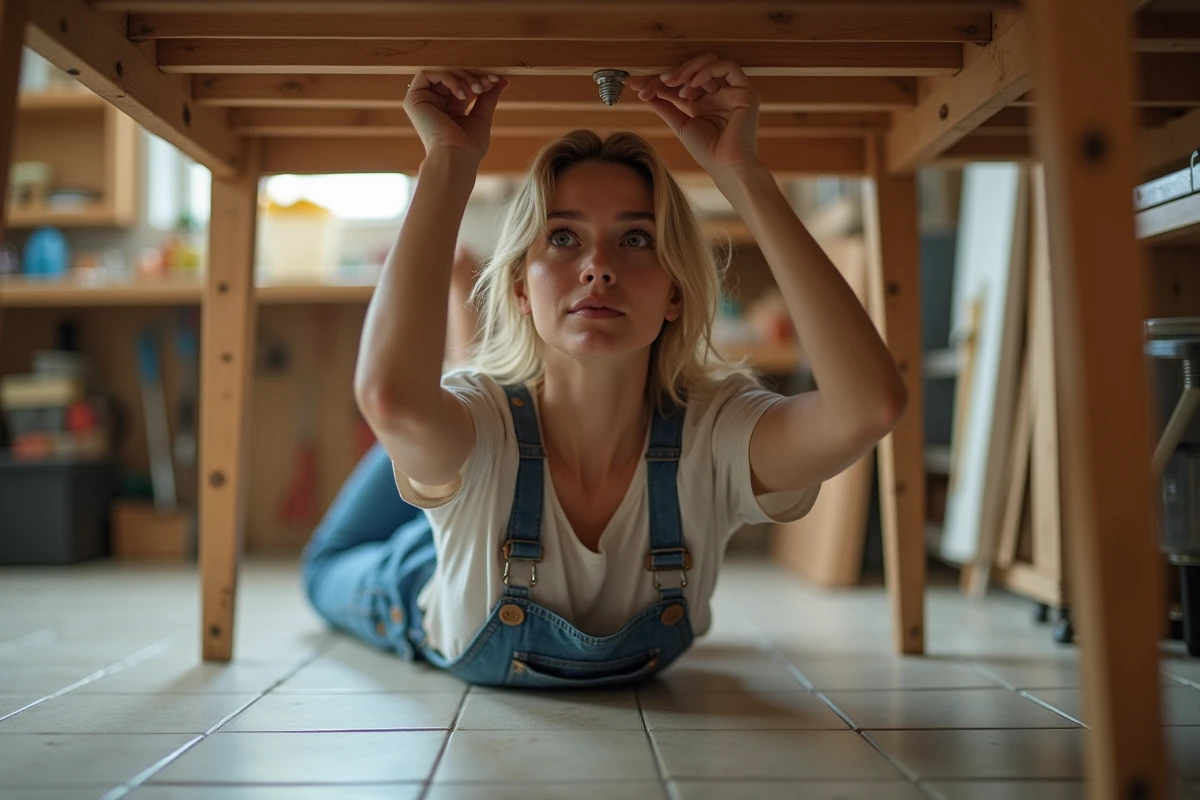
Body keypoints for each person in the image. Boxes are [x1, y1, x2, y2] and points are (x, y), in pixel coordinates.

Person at [301, 54, 907, 688]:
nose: (597, 266)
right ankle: (443, 408)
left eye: (636, 238)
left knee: (437, 429)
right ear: (519, 289)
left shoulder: (716, 434)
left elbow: (867, 408)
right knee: (352, 534)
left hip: (463, 465)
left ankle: (438, 442)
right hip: (416, 571)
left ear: (676, 293)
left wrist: (742, 173)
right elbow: (390, 400)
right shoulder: (482, 422)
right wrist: (448, 160)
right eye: (563, 237)